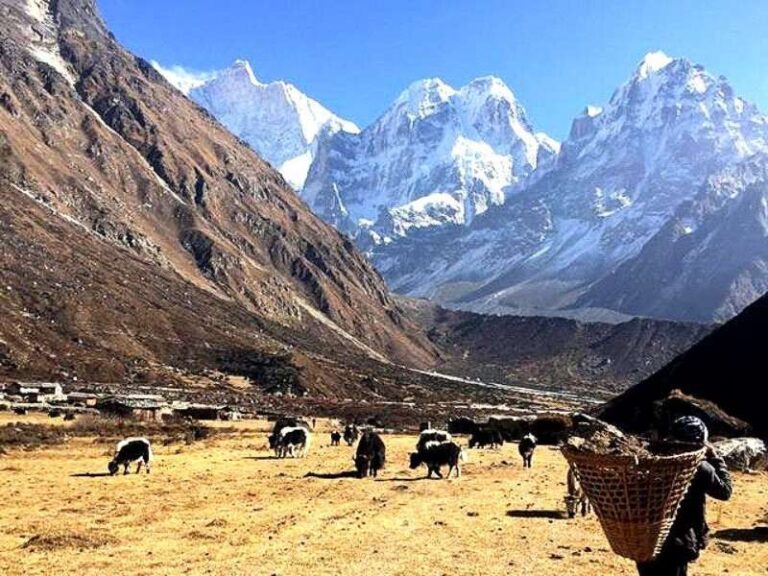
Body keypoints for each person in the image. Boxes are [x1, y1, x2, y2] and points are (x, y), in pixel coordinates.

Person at [636, 416, 732, 576]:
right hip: (678, 544)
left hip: (646, 540)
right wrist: (715, 458)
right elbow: (725, 491)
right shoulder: (700, 468)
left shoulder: (652, 461)